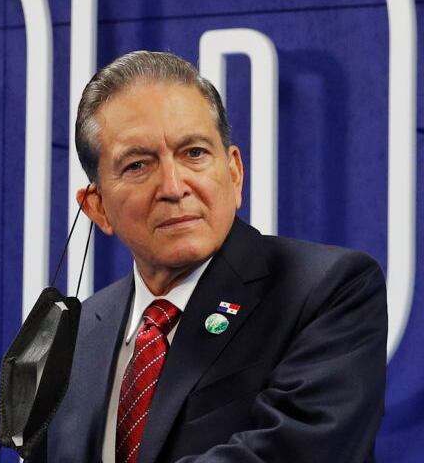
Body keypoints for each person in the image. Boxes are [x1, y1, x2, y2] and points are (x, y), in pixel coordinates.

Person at [45, 51, 387, 462]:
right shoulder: (76, 335)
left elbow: (297, 451)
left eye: (194, 153)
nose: (174, 187)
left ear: (235, 173)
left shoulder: (326, 291)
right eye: (137, 165)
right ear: (97, 207)